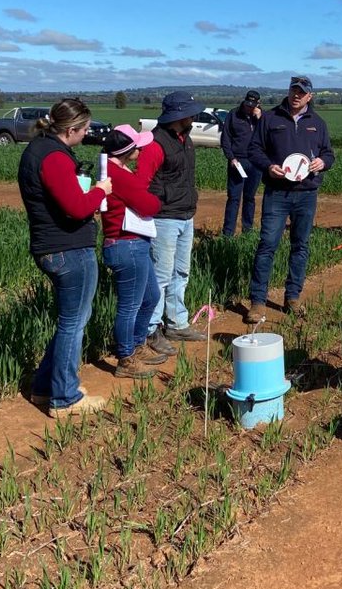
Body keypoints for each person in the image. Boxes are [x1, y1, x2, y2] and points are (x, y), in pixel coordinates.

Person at [18, 98, 112, 418]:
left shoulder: (38, 149)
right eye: (84, 129)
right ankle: (65, 398)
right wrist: (101, 190)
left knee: (68, 323)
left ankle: (46, 387)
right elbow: (77, 207)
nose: (87, 134)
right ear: (70, 129)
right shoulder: (53, 158)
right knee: (74, 324)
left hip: (53, 248)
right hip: (68, 249)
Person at [245, 75, 335, 322]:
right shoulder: (270, 119)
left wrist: (323, 162)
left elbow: (329, 153)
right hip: (277, 193)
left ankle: (293, 297)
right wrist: (268, 166)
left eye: (302, 92)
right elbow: (254, 149)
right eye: (293, 90)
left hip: (307, 194)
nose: (296, 95)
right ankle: (258, 302)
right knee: (267, 245)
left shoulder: (318, 123)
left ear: (310, 96)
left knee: (301, 246)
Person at [102, 125, 174, 379]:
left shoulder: (115, 169)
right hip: (127, 245)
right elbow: (148, 204)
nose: (141, 149)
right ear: (127, 150)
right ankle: (126, 357)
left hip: (131, 244)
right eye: (137, 146)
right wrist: (154, 199)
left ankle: (135, 345)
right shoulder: (118, 175)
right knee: (129, 306)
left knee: (151, 297)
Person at [139, 91, 205, 344]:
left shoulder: (184, 138)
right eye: (191, 112)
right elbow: (143, 182)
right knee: (161, 276)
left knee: (181, 272)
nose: (195, 116)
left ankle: (177, 323)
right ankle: (150, 330)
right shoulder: (156, 143)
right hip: (164, 218)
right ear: (179, 115)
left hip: (185, 215)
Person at [221, 89, 263, 236]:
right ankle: (228, 234)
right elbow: (225, 139)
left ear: (258, 104)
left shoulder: (263, 118)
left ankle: (247, 232)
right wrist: (231, 157)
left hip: (256, 163)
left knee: (250, 198)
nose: (249, 107)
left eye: (252, 105)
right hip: (237, 161)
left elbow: (269, 138)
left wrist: (260, 119)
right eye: (247, 104)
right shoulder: (233, 114)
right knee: (234, 198)